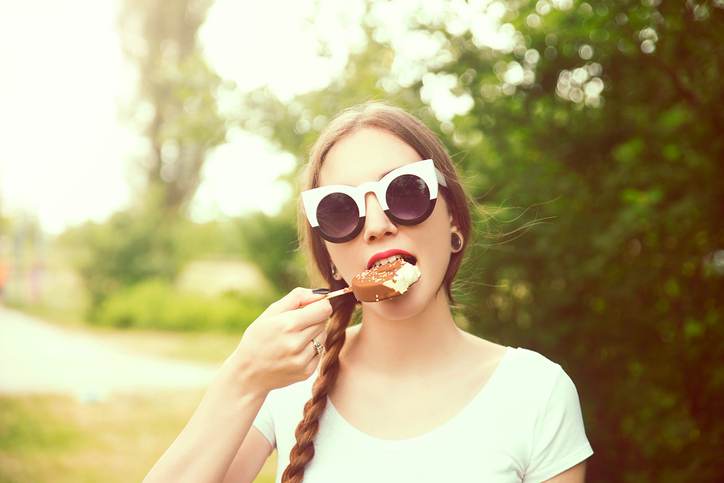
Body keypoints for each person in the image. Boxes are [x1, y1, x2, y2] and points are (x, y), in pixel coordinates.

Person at [143, 102, 594, 483]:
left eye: (405, 191)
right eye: (341, 210)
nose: (378, 226)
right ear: (331, 257)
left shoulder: (535, 393)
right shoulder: (286, 384)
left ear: (453, 219)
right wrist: (242, 377)